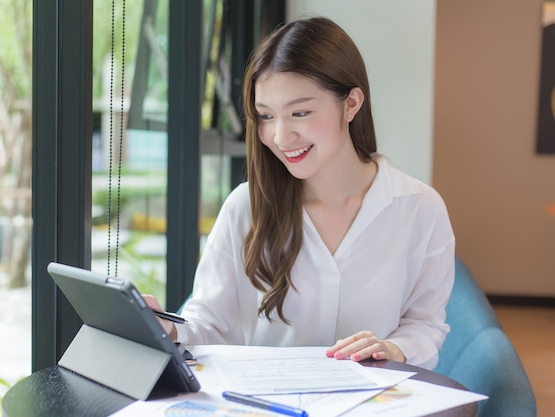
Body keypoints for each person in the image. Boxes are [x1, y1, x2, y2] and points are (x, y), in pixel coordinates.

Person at [145, 16, 455, 370]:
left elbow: (425, 325)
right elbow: (210, 323)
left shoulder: (420, 209)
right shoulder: (244, 208)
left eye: (300, 113)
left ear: (351, 104)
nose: (280, 137)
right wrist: (167, 327)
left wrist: (395, 348)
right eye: (266, 116)